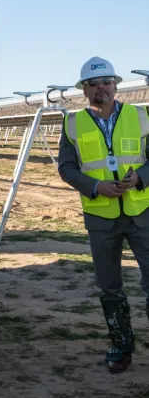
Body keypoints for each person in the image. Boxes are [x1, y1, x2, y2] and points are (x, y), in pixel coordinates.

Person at [58, 57, 149, 374]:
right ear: (84, 89)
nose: (102, 87)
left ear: (116, 84)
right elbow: (66, 168)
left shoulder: (142, 116)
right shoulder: (72, 123)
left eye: (107, 81)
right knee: (110, 286)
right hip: (101, 217)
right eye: (95, 83)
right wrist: (96, 186)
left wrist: (139, 178)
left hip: (142, 213)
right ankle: (121, 347)